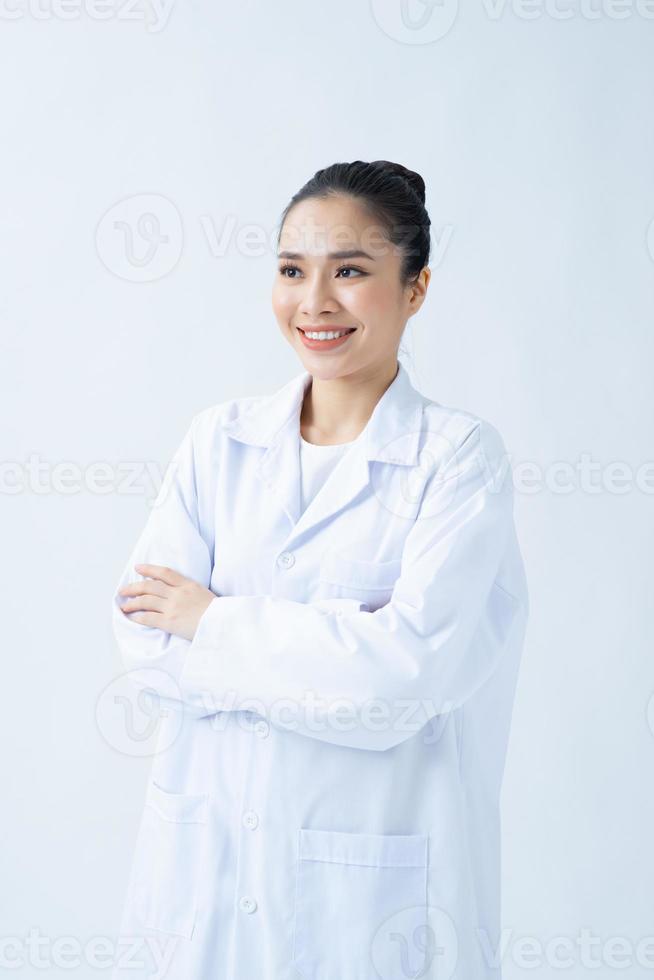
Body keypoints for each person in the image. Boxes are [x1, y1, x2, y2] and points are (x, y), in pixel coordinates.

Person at [110, 160, 529, 980]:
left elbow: (400, 683)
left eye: (351, 272)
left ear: (416, 289)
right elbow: (143, 646)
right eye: (292, 271)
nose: (315, 302)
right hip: (206, 879)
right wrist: (335, 651)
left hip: (374, 902)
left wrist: (212, 620)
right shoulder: (217, 442)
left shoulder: (458, 461)